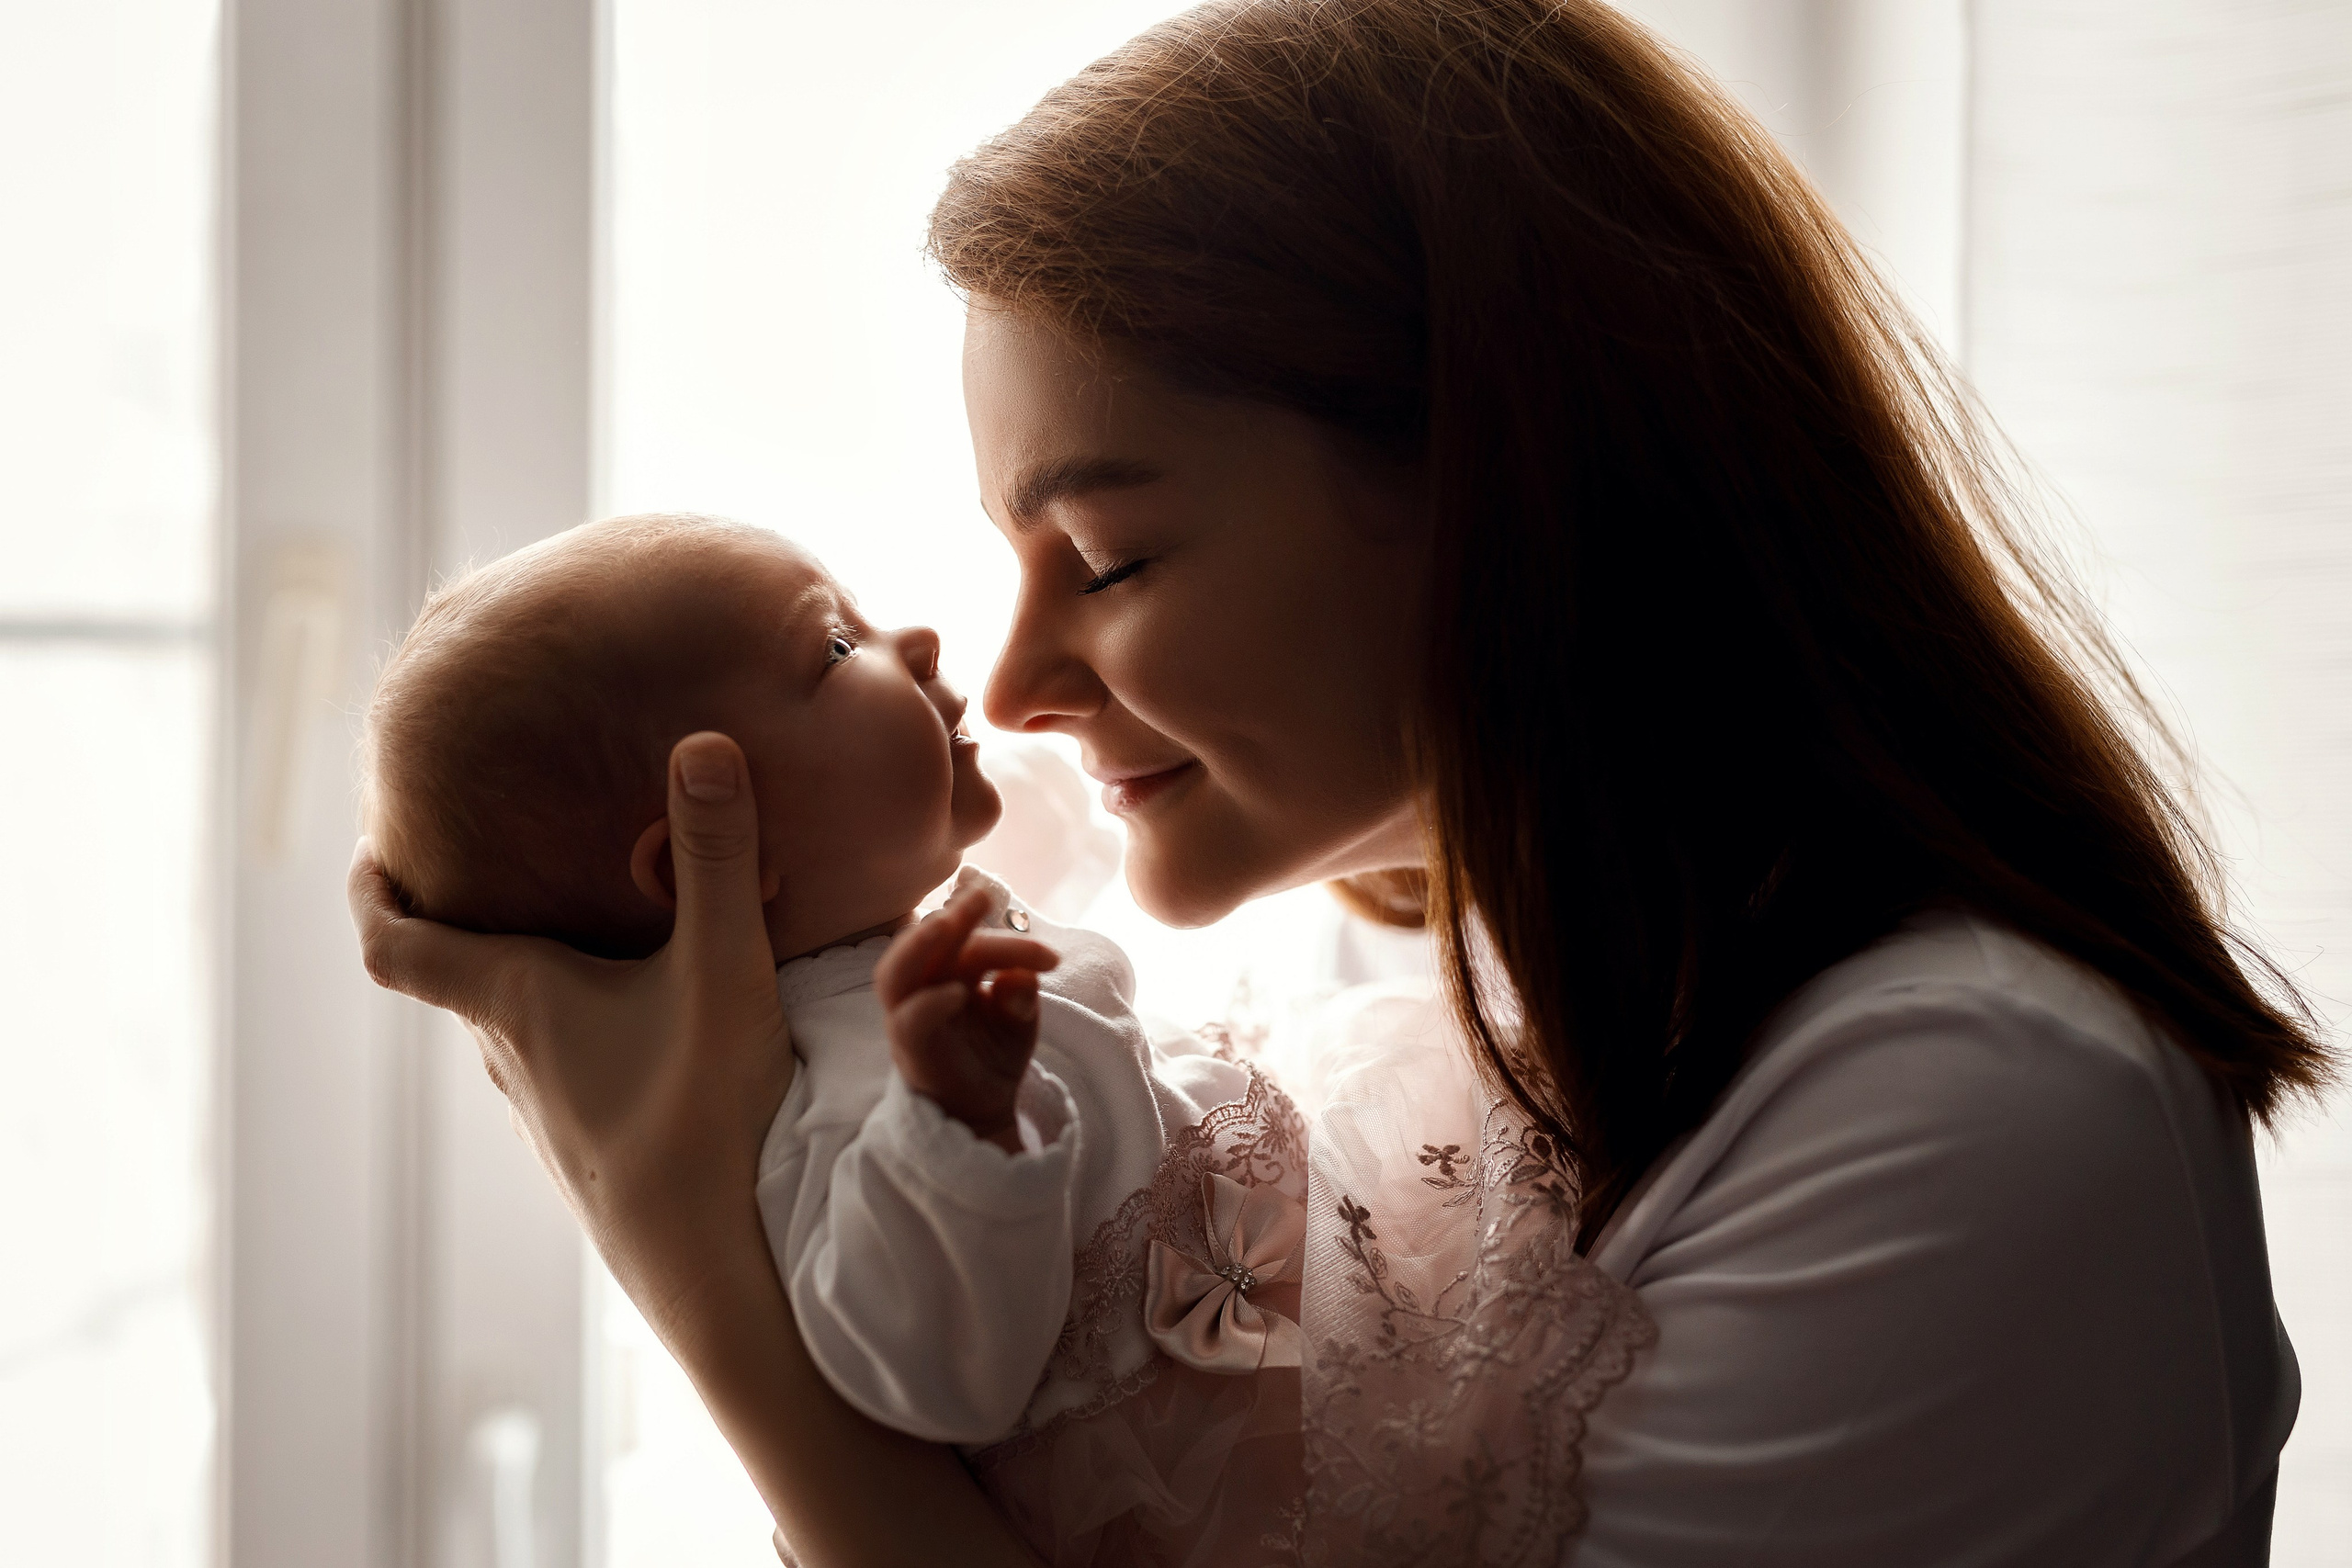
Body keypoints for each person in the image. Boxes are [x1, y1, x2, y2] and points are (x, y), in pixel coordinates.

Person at [350, 1, 2331, 1562]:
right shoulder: (1401, 1032)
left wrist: (695, 1270)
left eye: (1106, 558)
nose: (1019, 682)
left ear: (1497, 496)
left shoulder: (1964, 1116)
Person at [359, 514, 1311, 1562]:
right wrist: (953, 1127)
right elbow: (939, 1376)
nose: (919, 644)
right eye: (834, 649)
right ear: (700, 857)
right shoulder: (835, 1089)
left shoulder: (885, 979)